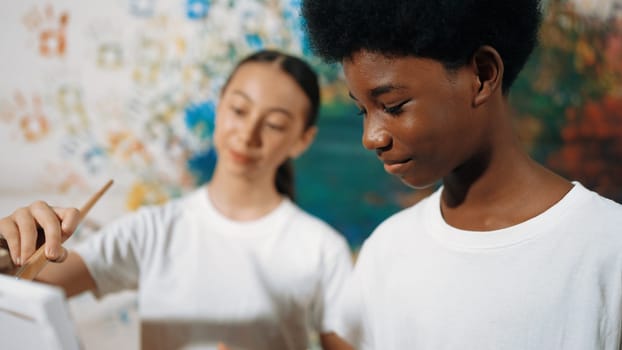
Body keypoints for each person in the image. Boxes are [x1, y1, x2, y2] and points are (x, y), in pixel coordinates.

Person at [301, 0, 622, 349]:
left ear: (483, 75)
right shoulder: (388, 250)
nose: (371, 137)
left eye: (393, 106)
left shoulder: (607, 247)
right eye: (362, 110)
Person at [0, 49, 353, 350]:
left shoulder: (321, 249)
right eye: (239, 110)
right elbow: (19, 292)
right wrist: (7, 250)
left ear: (302, 140)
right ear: (219, 107)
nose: (247, 135)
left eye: (274, 124)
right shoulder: (154, 229)